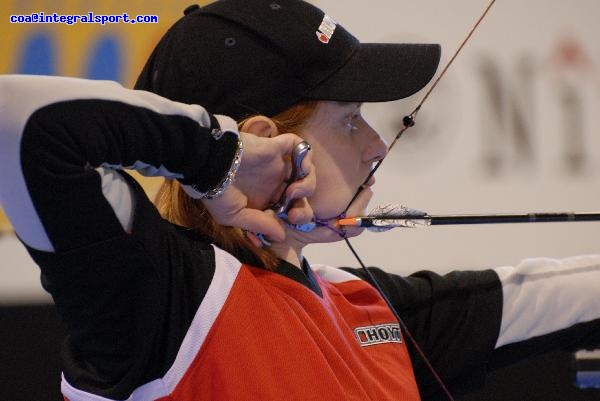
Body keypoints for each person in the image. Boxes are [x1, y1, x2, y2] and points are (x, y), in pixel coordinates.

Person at [0, 0, 599, 400]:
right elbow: (18, 122)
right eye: (349, 121)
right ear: (265, 143)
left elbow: (566, 292)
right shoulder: (160, 294)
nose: (377, 145)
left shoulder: (370, 309)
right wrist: (216, 158)